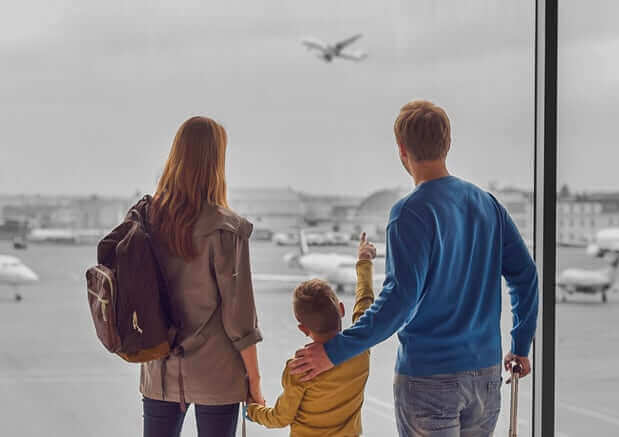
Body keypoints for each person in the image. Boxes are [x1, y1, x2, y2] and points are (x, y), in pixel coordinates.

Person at [289, 100, 539, 437]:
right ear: (447, 144)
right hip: (485, 375)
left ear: (402, 150)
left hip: (430, 379)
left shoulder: (410, 212)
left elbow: (399, 302)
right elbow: (526, 276)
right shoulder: (487, 204)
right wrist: (520, 344)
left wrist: (336, 351)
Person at [141, 116, 264, 437]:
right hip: (218, 374)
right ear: (216, 162)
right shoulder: (226, 228)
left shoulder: (148, 220)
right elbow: (240, 320)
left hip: (160, 367)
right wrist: (254, 379)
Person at [246, 233, 378, 436]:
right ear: (341, 309)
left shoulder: (299, 368)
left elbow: (280, 418)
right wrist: (364, 260)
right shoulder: (360, 349)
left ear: (303, 329)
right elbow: (365, 301)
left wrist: (252, 411)